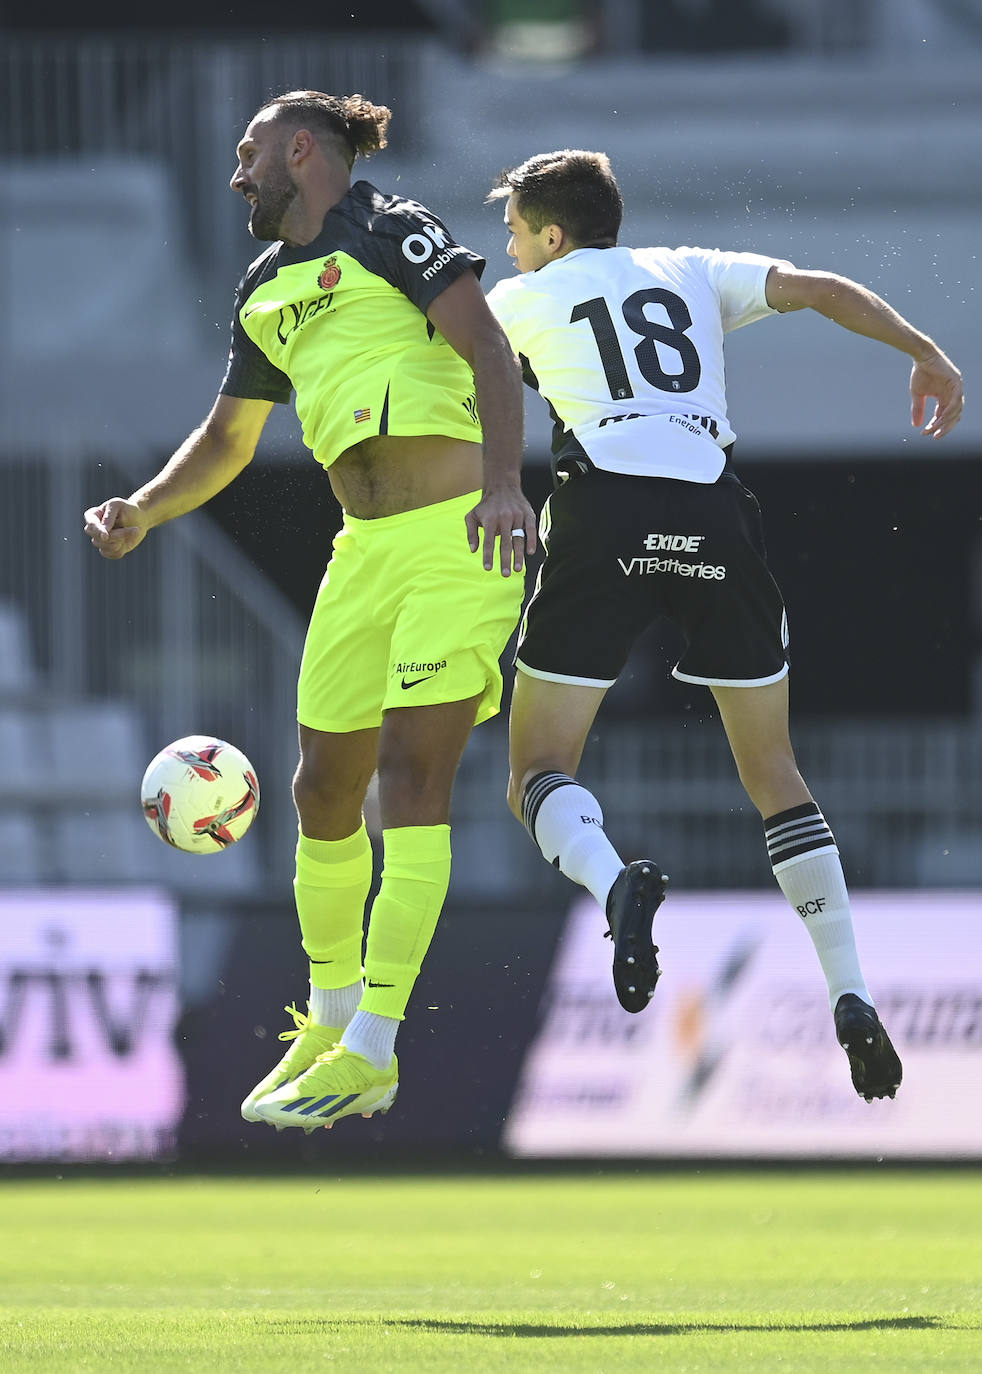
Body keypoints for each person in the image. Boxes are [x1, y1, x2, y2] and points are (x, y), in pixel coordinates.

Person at [84, 90, 536, 1132]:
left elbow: (489, 350)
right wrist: (144, 510)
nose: (238, 174)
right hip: (363, 553)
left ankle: (376, 1045)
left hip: (460, 533)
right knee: (321, 789)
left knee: (410, 779)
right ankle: (329, 1024)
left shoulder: (392, 229)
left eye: (249, 154)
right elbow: (229, 437)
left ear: (300, 149)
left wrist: (508, 483)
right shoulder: (263, 287)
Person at [485, 149, 964, 1102]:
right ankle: (852, 995)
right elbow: (821, 287)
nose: (508, 246)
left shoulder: (513, 300)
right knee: (775, 775)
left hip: (603, 513)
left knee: (537, 770)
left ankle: (614, 882)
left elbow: (445, 357)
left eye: (514, 231)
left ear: (550, 234)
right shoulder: (689, 269)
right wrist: (926, 353)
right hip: (715, 513)